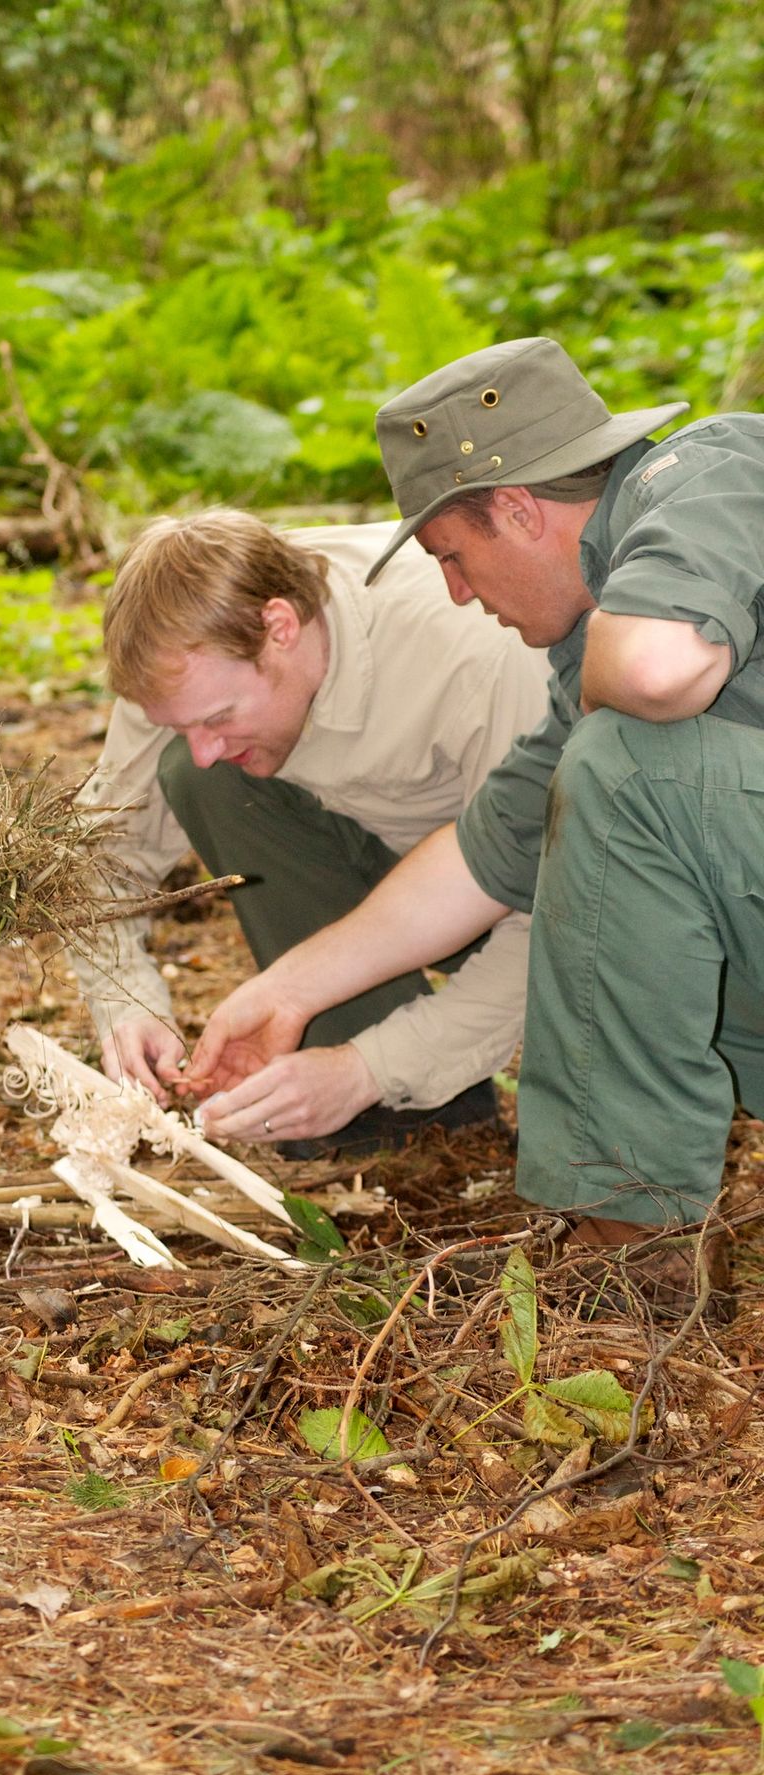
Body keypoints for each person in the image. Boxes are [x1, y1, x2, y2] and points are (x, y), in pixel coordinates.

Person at [188, 335, 759, 1314]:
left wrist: (605, 671)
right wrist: (284, 993)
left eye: (455, 556)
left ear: (519, 507)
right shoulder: (590, 655)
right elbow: (481, 860)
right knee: (601, 779)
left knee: (619, 769)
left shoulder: (710, 471)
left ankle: (636, 1235)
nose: (457, 593)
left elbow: (666, 671)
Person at [71, 509, 551, 1156]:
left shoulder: (474, 652)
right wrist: (127, 1000)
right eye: (182, 720)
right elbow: (103, 857)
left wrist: (372, 1067)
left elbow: (558, 918)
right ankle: (393, 1123)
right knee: (199, 775)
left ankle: (386, 1086)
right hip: (397, 881)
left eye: (217, 717)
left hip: (530, 892)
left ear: (280, 628)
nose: (204, 744)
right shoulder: (184, 650)